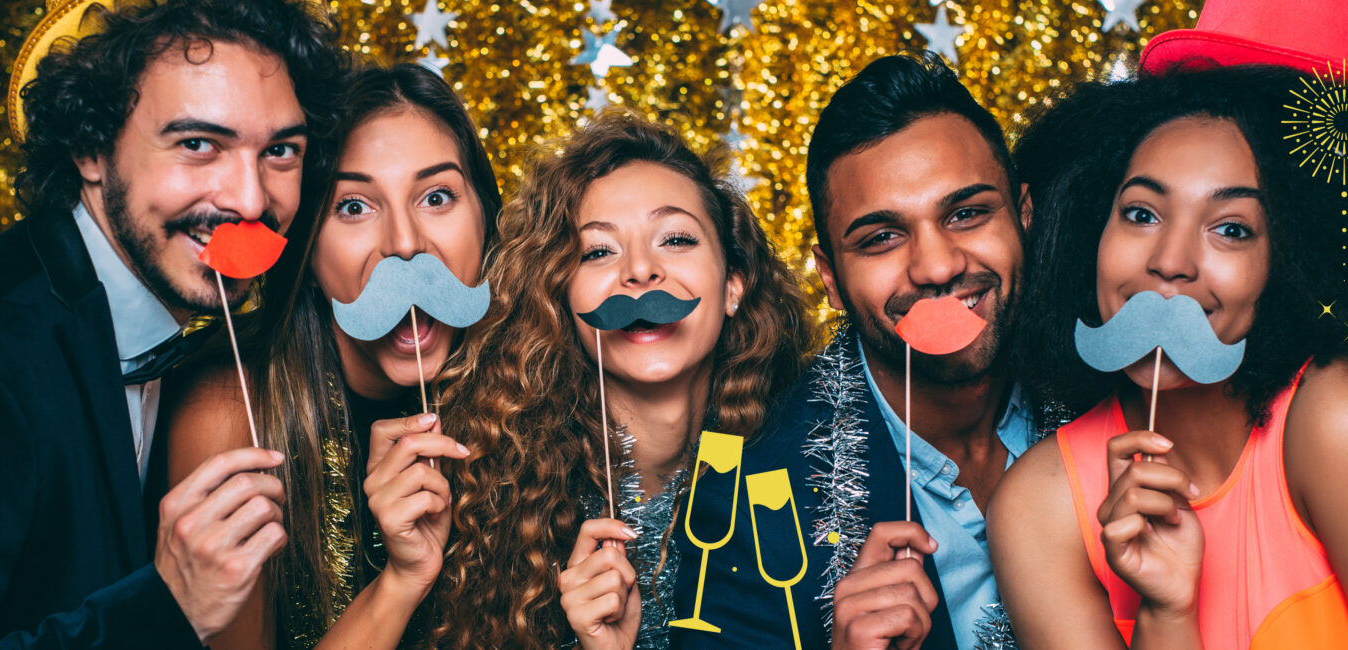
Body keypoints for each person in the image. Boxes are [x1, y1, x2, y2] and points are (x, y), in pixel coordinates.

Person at [989, 2, 1348, 646]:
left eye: (1233, 229)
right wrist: (1168, 615)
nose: (1169, 263)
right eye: (1141, 213)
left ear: (1296, 264)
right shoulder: (1039, 508)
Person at [0, 0, 348, 647]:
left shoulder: (167, 307)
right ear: (91, 147)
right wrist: (166, 608)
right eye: (199, 144)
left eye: (280, 150)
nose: (252, 200)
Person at [673, 50, 1046, 650]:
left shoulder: (1119, 413)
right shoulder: (745, 501)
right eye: (882, 238)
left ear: (1025, 217)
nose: (937, 266)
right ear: (830, 278)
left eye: (968, 213)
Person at [429, 110, 812, 649]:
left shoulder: (807, 480)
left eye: (675, 239)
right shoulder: (492, 499)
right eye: (599, 251)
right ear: (561, 302)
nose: (638, 271)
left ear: (733, 286)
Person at [162, 62, 501, 649]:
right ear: (306, 248)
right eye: (353, 207)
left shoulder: (524, 389)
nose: (403, 244)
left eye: (437, 196)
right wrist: (400, 581)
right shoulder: (229, 415)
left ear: (486, 221)